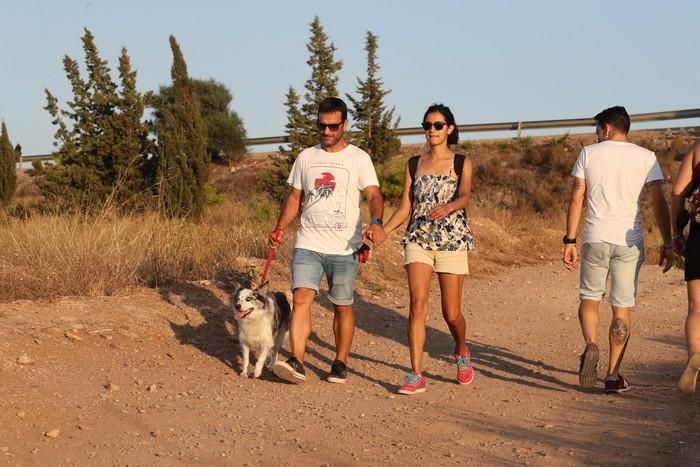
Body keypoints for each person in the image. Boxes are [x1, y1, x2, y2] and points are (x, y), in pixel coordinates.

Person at [269, 97, 385, 384]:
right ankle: (297, 360)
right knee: (301, 299)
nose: (327, 131)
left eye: (333, 126)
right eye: (322, 126)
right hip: (308, 241)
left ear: (345, 124)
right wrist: (280, 226)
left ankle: (340, 362)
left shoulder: (359, 158)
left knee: (342, 305)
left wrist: (376, 222)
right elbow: (295, 196)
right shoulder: (306, 157)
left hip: (345, 246)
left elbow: (373, 195)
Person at [563, 105, 673, 394]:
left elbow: (577, 197)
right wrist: (669, 242)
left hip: (596, 237)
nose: (596, 134)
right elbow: (659, 202)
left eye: (598, 128)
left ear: (607, 128)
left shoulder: (589, 153)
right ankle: (613, 375)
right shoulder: (646, 157)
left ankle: (590, 344)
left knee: (589, 298)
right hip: (629, 242)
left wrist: (569, 240)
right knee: (621, 308)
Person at [379, 103, 476, 395]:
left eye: (437, 125)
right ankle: (415, 373)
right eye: (427, 125)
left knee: (451, 312)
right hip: (419, 238)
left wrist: (447, 207)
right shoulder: (413, 163)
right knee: (417, 304)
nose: (431, 130)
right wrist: (383, 230)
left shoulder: (461, 162)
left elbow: (465, 196)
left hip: (452, 239)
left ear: (449, 128)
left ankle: (461, 350)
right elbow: (405, 207)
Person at [671, 141, 700, 398]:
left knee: (696, 307)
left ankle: (695, 355)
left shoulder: (697, 149)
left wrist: (676, 234)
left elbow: (678, 193)